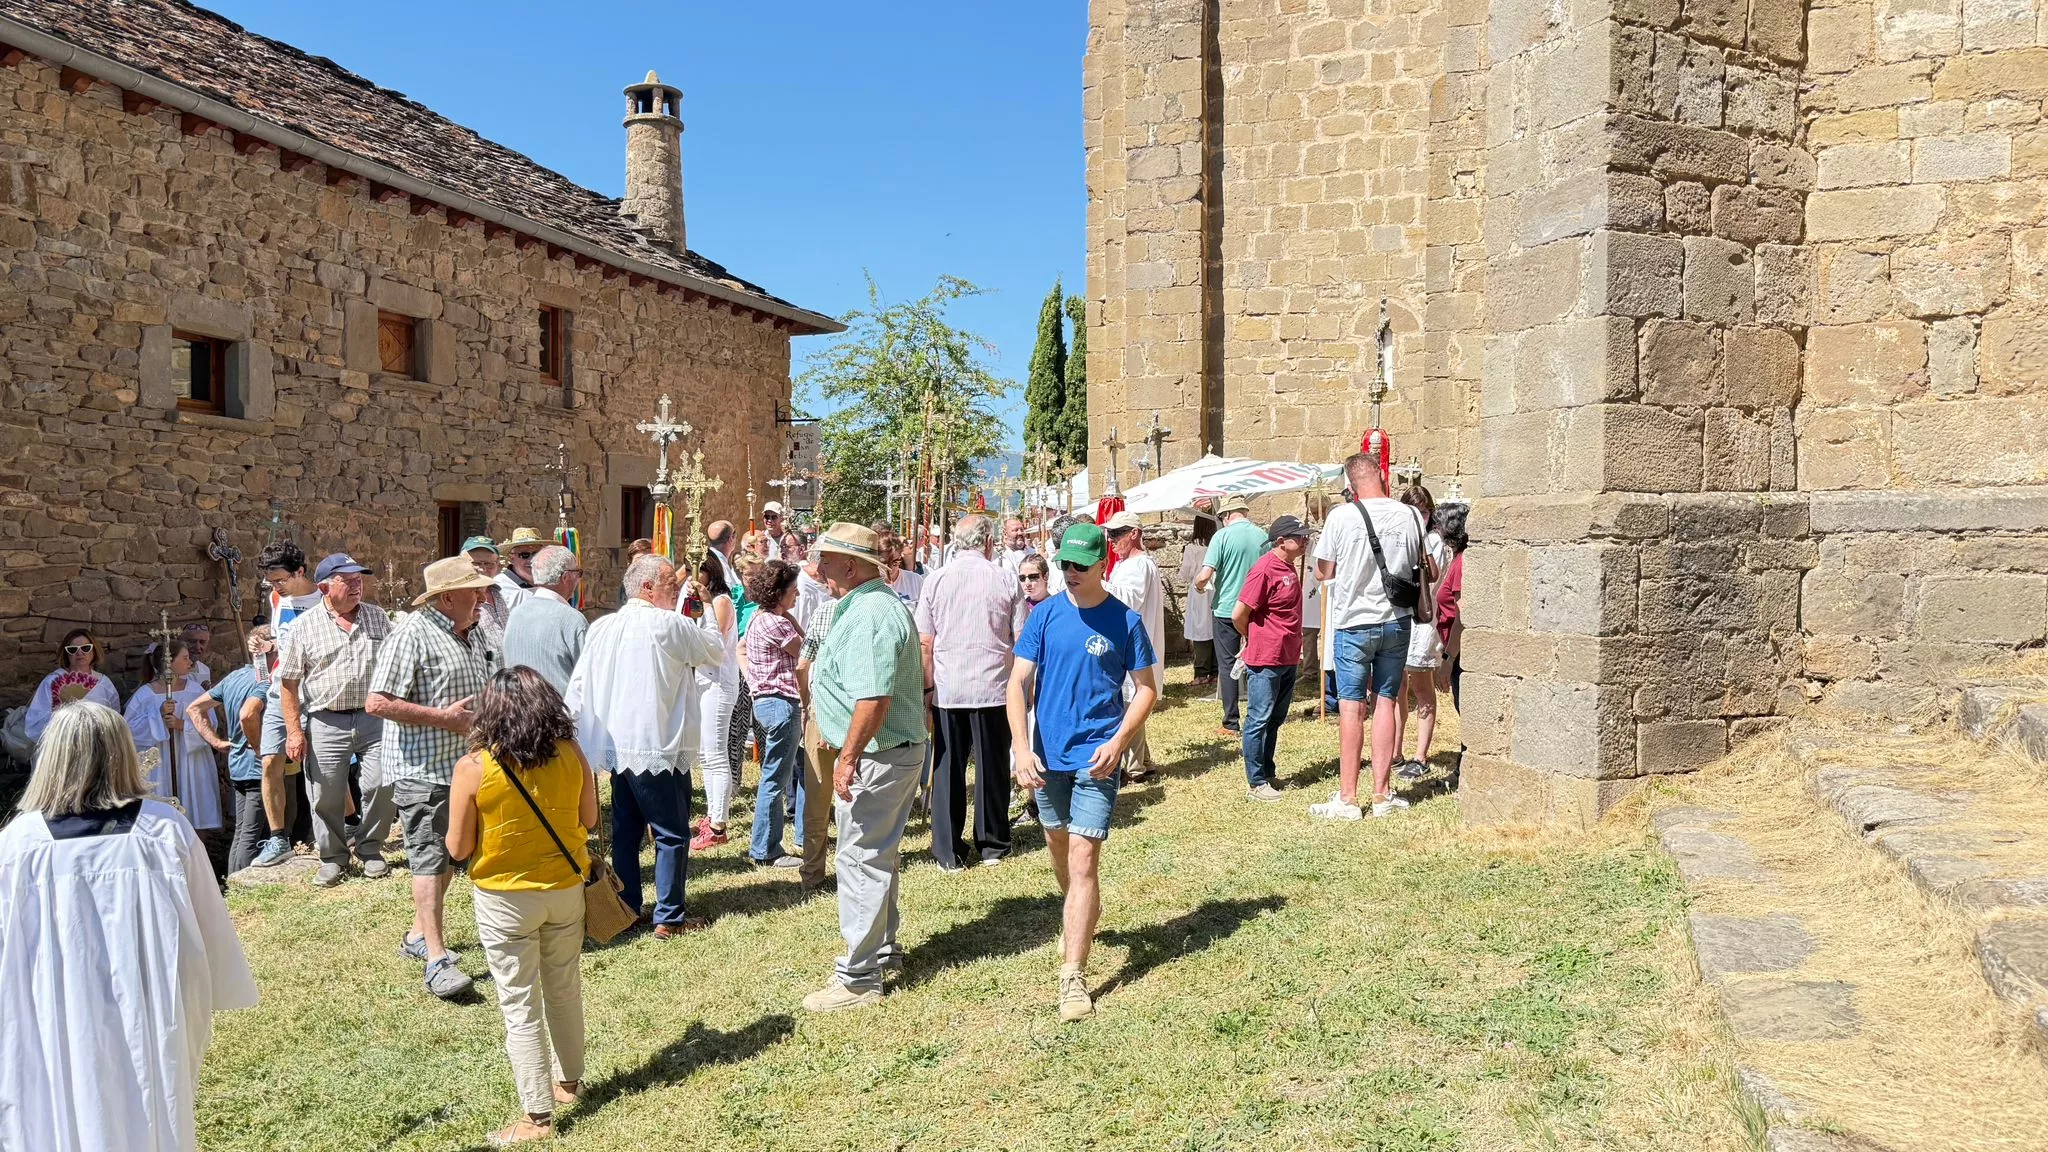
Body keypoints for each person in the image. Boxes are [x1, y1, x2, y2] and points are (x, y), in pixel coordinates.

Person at [0, 702, 258, 1152]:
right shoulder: (163, 832)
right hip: (148, 1004)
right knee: (148, 1104)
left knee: (59, 1104)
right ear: (123, 752)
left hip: (52, 1009)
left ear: (51, 758)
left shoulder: (18, 846)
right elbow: (209, 936)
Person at [1007, 522, 1158, 1023]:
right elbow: (1017, 683)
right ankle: (1081, 909)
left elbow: (1147, 690)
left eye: (1079, 565)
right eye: (1063, 565)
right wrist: (1021, 747)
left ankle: (1073, 974)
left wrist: (1118, 741)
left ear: (1101, 565)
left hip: (1098, 758)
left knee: (1082, 858)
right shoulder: (1044, 616)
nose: (1069, 573)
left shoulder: (1125, 622)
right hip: (1046, 759)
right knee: (1058, 846)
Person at [446, 667, 596, 1148]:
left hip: (504, 898)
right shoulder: (572, 754)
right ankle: (568, 1081)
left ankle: (536, 1116)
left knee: (519, 1003)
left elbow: (457, 847)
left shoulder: (473, 768)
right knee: (564, 987)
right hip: (564, 889)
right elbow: (589, 819)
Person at [801, 523, 929, 1012]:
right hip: (884, 752)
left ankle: (859, 976)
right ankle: (881, 952)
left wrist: (848, 757)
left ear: (852, 567)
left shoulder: (871, 613)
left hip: (877, 756)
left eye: (827, 563)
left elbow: (873, 697)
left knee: (859, 859)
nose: (819, 571)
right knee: (876, 856)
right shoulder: (868, 606)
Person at [566, 553, 726, 937]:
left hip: (618, 745)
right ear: (648, 587)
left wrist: (577, 731)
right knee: (671, 832)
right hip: (658, 744)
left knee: (626, 828)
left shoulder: (604, 626)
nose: (677, 589)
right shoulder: (668, 624)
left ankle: (627, 905)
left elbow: (581, 683)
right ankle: (669, 917)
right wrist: (704, 609)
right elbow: (714, 651)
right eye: (672, 583)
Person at [366, 556, 494, 1000]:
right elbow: (377, 702)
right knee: (428, 858)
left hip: (467, 768)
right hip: (425, 771)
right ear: (446, 598)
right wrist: (444, 718)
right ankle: (437, 961)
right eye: (473, 589)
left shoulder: (471, 632)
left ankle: (418, 936)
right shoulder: (411, 635)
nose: (482, 596)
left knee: (453, 855)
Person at [1311, 452, 1431, 819]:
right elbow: (1429, 566)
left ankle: (1348, 797)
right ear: (1382, 476)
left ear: (1350, 485)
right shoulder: (1410, 514)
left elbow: (1322, 571)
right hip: (1396, 619)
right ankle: (1382, 794)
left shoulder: (1341, 516)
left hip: (1353, 621)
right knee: (1385, 701)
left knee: (1351, 706)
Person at [915, 515, 1026, 871]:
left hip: (950, 687)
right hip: (993, 685)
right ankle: (993, 842)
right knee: (992, 766)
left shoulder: (936, 580)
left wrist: (927, 689)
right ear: (990, 543)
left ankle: (948, 849)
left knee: (948, 767)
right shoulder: (1005, 578)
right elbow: (1020, 637)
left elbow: (925, 642)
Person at [276, 551, 392, 886]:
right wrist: (294, 732)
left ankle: (370, 850)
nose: (358, 586)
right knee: (325, 792)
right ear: (326, 586)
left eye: (360, 579)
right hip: (326, 719)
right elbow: (289, 683)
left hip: (374, 718)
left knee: (380, 784)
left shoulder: (377, 617)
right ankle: (333, 858)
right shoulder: (303, 627)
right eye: (348, 580)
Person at [189, 628, 281, 873]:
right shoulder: (265, 683)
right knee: (251, 834)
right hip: (257, 769)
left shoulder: (235, 677)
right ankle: (239, 889)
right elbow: (248, 714)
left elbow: (194, 708)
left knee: (242, 831)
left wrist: (217, 743)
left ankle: (232, 886)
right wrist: (260, 748)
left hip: (238, 766)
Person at [1232, 517, 1310, 800]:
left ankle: (1267, 771)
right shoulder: (1264, 569)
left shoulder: (1288, 566)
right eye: (1299, 537)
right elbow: (1239, 613)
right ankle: (1256, 782)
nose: (1305, 540)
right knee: (1259, 718)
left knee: (1275, 719)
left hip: (1286, 656)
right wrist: (1253, 638)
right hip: (1266, 658)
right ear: (1281, 542)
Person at [254, 541, 322, 860]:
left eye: (282, 579)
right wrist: (268, 646)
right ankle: (278, 838)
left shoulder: (324, 599)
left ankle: (345, 825)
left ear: (300, 571)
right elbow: (284, 641)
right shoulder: (277, 596)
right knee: (270, 761)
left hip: (316, 692)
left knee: (321, 767)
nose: (277, 587)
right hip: (281, 689)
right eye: (272, 582)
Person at [123, 639, 224, 833]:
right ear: (169, 663)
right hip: (160, 763)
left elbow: (211, 725)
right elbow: (129, 731)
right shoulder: (145, 694)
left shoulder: (195, 691)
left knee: (194, 810)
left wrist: (181, 725)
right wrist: (157, 717)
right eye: (185, 658)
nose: (190, 662)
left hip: (191, 760)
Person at [744, 560, 806, 868]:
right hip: (781, 703)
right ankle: (766, 848)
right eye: (793, 590)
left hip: (767, 703)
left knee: (776, 775)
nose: (796, 595)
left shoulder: (761, 617)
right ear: (778, 593)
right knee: (775, 779)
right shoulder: (776, 623)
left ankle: (768, 843)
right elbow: (807, 653)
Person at [1103, 511, 1165, 782]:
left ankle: (1134, 766)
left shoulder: (1138, 566)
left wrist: (1095, 583)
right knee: (1129, 703)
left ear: (1134, 534)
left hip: (1134, 644)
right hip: (1129, 642)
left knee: (1130, 704)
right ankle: (1144, 762)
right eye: (1110, 534)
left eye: (1117, 534)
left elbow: (1129, 599)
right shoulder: (1127, 564)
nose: (1111, 540)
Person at [1195, 497, 1265, 736]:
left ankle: (1231, 722)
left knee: (1227, 665)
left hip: (1226, 609)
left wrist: (1198, 586)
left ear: (1226, 516)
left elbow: (1205, 575)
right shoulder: (1262, 535)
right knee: (1257, 663)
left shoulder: (1221, 537)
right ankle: (1259, 716)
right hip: (1256, 609)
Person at [1394, 485, 1450, 781]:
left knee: (1422, 687)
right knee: (1396, 687)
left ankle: (1420, 755)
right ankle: (1395, 750)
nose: (1420, 517)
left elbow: (1430, 580)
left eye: (1425, 512)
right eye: (1415, 512)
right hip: (1400, 616)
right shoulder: (1400, 537)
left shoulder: (1435, 543)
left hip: (1423, 620)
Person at [689, 554, 744, 852]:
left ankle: (719, 825)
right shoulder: (697, 600)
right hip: (702, 681)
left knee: (715, 752)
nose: (690, 577)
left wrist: (707, 604)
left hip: (718, 682)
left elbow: (714, 645)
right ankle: (712, 813)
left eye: (695, 571)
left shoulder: (720, 602)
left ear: (710, 573)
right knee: (705, 753)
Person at [793, 566, 842, 892]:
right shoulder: (881, 606)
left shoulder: (825, 611)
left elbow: (802, 664)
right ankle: (857, 866)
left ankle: (813, 871)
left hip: (822, 710)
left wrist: (807, 703)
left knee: (818, 796)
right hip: (862, 711)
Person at [503, 544, 587, 696]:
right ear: (566, 577)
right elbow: (588, 676)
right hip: (558, 714)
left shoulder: (516, 614)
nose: (579, 579)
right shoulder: (572, 619)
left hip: (519, 710)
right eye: (578, 572)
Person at [25, 628, 121, 742]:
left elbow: (115, 719)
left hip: (97, 746)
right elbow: (33, 724)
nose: (80, 653)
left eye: (86, 648)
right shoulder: (52, 682)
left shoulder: (104, 683)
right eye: (72, 649)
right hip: (61, 746)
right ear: (66, 654)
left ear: (94, 650)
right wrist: (58, 715)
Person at [1433, 503, 1470, 785]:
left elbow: (1461, 615)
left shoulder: (1461, 563)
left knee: (1466, 712)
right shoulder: (1459, 559)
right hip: (1455, 651)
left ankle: (1463, 773)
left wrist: (1447, 659)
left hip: (1459, 654)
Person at [464, 536, 517, 668]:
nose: (482, 569)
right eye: (475, 563)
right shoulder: (459, 600)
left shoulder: (502, 594)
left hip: (508, 678)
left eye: (488, 564)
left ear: (498, 566)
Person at [1178, 512, 1218, 686]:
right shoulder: (1217, 544)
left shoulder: (1193, 548)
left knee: (1201, 630)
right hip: (1217, 589)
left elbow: (1185, 574)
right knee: (1216, 628)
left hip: (1200, 589)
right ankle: (1217, 672)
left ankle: (1201, 673)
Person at [497, 527, 547, 602]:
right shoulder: (499, 586)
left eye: (536, 554)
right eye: (524, 555)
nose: (532, 560)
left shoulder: (550, 581)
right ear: (511, 558)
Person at [619, 537, 654, 608]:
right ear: (630, 563)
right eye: (638, 560)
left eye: (647, 559)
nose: (643, 563)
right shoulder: (627, 587)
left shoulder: (659, 584)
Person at [182, 622, 215, 687]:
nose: (197, 647)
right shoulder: (172, 669)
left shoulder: (205, 670)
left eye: (202, 642)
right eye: (192, 641)